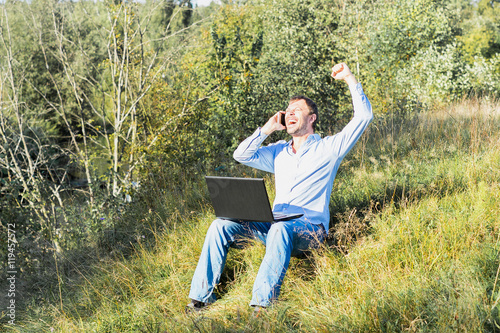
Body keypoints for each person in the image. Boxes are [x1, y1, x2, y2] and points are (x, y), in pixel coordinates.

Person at [186, 63, 373, 313]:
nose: (291, 113)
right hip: (273, 226)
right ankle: (200, 300)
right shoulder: (278, 153)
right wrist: (267, 129)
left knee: (281, 229)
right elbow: (241, 155)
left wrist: (349, 78)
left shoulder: (329, 149)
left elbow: (364, 117)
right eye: (288, 111)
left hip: (309, 231)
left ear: (312, 118)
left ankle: (262, 307)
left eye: (298, 110)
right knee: (221, 225)